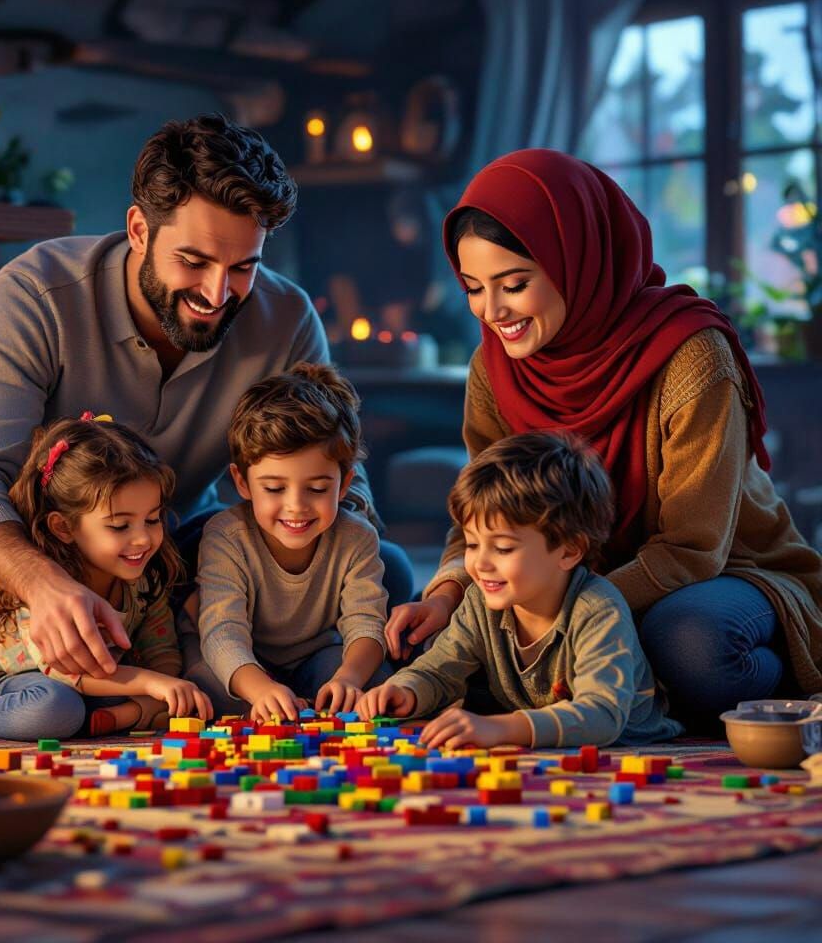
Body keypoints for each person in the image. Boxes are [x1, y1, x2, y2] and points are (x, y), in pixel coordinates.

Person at [0, 113, 414, 704]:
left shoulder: (287, 318)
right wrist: (42, 584)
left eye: (242, 267)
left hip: (171, 550)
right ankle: (70, 658)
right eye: (194, 261)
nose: (216, 294)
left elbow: (339, 473)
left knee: (385, 566)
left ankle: (31, 673)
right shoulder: (36, 293)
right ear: (138, 230)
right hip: (36, 553)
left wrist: (329, 550)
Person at [385, 148, 822, 728]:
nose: (491, 312)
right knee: (430, 650)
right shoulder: (493, 366)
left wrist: (572, 612)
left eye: (513, 284)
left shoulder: (691, 355)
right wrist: (445, 594)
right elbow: (486, 512)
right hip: (553, 579)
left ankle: (786, 677)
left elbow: (695, 547)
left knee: (690, 646)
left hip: (721, 573)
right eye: (473, 288)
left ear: (576, 262)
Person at [0, 415, 212, 741]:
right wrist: (150, 685)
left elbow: (161, 650)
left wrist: (169, 686)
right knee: (56, 707)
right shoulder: (47, 589)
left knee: (158, 694)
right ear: (64, 527)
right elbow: (66, 673)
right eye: (119, 526)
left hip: (98, 688)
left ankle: (115, 717)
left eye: (152, 520)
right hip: (22, 684)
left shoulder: (144, 583)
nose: (143, 539)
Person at [359, 432, 682, 749]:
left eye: (503, 548)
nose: (480, 564)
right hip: (533, 726)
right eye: (472, 544)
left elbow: (602, 715)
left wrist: (501, 728)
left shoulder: (597, 608)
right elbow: (439, 670)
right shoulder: (480, 602)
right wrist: (406, 689)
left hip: (623, 745)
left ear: (569, 550)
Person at [188, 363, 392, 721]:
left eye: (317, 489)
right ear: (242, 482)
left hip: (315, 655)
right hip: (241, 660)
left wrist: (348, 678)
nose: (296, 506)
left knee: (374, 682)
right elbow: (223, 632)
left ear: (344, 485)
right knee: (207, 690)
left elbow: (366, 623)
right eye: (274, 488)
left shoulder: (357, 537)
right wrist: (261, 689)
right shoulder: (226, 536)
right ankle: (281, 698)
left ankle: (306, 697)